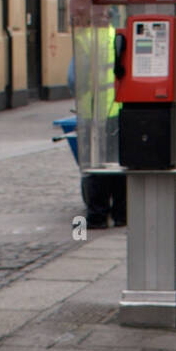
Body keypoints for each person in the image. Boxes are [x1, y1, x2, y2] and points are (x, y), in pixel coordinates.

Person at [72, 19, 127, 228]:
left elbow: (74, 79)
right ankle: (121, 214)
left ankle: (97, 215)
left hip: (92, 111)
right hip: (115, 108)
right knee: (118, 163)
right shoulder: (118, 36)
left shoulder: (83, 39)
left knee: (95, 164)